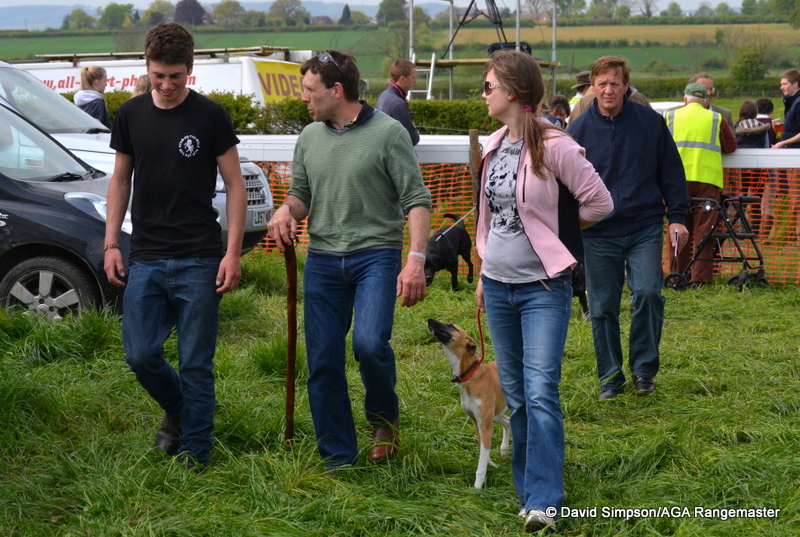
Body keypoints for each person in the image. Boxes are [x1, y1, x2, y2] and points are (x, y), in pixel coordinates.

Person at [267, 50, 431, 471]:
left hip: (375, 256)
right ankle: (337, 456)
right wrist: (287, 211)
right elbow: (300, 197)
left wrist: (414, 260)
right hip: (322, 259)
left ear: (336, 90)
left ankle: (383, 419)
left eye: (310, 90)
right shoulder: (309, 137)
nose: (304, 98)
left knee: (370, 344)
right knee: (322, 359)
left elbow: (416, 200)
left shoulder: (389, 134)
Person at [476, 50, 613, 534]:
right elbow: (488, 220)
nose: (484, 93)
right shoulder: (492, 144)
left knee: (539, 392)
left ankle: (545, 501)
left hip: (542, 289)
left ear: (512, 91)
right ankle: (529, 492)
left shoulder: (557, 146)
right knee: (515, 394)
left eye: (488, 85)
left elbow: (599, 201)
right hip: (497, 285)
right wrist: (482, 273)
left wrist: (560, 231)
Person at [103, 22, 247, 469]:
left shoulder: (210, 117)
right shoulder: (129, 115)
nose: (166, 86)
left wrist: (232, 252)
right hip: (145, 254)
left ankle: (197, 456)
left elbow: (236, 185)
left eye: (176, 77)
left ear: (190, 70)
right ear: (146, 67)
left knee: (196, 364)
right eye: (159, 76)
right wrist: (111, 243)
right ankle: (179, 410)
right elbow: (120, 180)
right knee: (141, 354)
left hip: (201, 256)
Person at [566, 56, 689, 400]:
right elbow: (565, 185)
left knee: (649, 293)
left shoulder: (650, 123)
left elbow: (671, 173)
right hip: (597, 232)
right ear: (592, 86)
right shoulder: (577, 132)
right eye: (601, 83)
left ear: (625, 86)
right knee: (602, 307)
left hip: (644, 225)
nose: (608, 90)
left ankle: (644, 371)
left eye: (615, 83)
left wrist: (677, 216)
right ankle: (610, 378)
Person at [665, 83, 737, 287]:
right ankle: (701, 279)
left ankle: (677, 275)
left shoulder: (670, 117)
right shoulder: (715, 118)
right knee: (705, 231)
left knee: (678, 228)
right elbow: (730, 146)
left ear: (685, 99)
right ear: (706, 101)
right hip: (707, 181)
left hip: (676, 182)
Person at [734, 100, 771, 232]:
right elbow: (766, 148)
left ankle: (739, 227)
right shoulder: (763, 127)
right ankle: (754, 228)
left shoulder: (735, 127)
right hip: (758, 169)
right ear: (755, 112)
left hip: (740, 169)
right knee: (756, 199)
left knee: (740, 198)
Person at [376, 59, 420, 146]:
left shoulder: (384, 95)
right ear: (403, 79)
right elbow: (411, 139)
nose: (415, 81)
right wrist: (414, 129)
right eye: (413, 77)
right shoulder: (398, 104)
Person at [568, 78, 649, 123]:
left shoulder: (639, 99)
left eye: (614, 84)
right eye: (603, 84)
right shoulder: (585, 102)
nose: (608, 91)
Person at [756, 97, 780, 239]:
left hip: (750, 168)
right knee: (768, 202)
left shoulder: (748, 122)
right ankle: (763, 236)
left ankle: (745, 231)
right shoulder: (774, 125)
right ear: (771, 111)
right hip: (770, 166)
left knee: (748, 200)